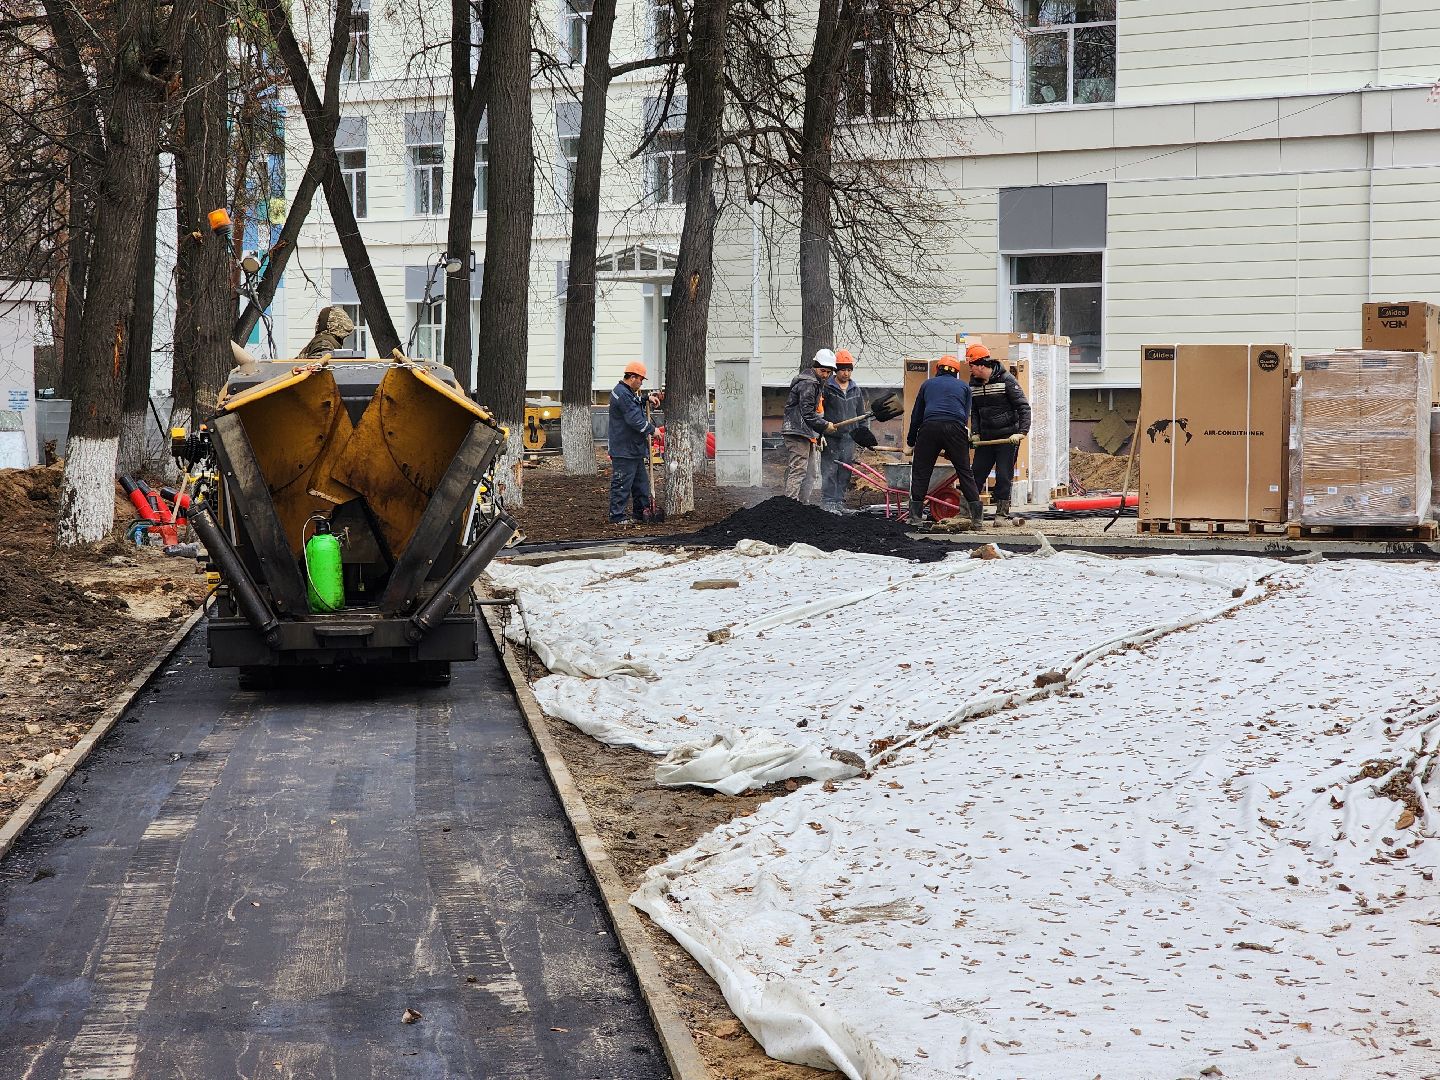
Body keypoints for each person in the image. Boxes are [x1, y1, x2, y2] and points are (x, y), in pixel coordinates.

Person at [906, 354, 981, 530]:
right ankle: (977, 519)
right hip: (955, 429)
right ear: (956, 373)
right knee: (964, 472)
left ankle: (915, 517)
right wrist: (954, 447)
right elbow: (964, 417)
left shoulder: (927, 384)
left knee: (921, 472)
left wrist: (911, 442)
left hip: (929, 427)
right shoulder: (964, 387)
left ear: (937, 370)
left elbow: (916, 415)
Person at [967, 343, 1032, 524]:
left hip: (1007, 438)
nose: (970, 369)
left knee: (1004, 475)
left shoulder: (1006, 380)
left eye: (971, 365)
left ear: (981, 365)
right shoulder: (973, 385)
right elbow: (976, 412)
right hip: (986, 438)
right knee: (976, 474)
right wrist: (976, 433)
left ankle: (1001, 514)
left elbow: (1023, 407)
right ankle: (970, 513)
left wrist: (1021, 433)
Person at [820, 349, 877, 513]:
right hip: (831, 436)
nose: (846, 373)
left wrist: (863, 433)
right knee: (830, 469)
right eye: (843, 369)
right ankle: (828, 501)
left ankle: (839, 501)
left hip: (849, 438)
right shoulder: (828, 388)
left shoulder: (855, 389)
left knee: (845, 470)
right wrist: (822, 430)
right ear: (836, 370)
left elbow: (861, 414)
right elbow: (820, 412)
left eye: (849, 370)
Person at [781, 349, 838, 502]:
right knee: (799, 469)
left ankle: (802, 507)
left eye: (829, 372)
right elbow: (807, 414)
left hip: (806, 432)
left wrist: (820, 434)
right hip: (797, 431)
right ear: (815, 366)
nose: (825, 374)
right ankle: (790, 505)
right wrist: (825, 426)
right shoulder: (808, 383)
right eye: (823, 370)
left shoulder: (816, 384)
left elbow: (816, 412)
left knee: (811, 473)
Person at [608, 360, 660, 525]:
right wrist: (652, 429)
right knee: (622, 483)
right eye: (641, 379)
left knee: (641, 484)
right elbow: (634, 419)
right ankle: (617, 516)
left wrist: (645, 398)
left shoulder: (625, 392)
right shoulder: (622, 394)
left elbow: (634, 403)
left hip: (632, 448)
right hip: (624, 449)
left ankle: (641, 512)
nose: (641, 383)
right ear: (632, 377)